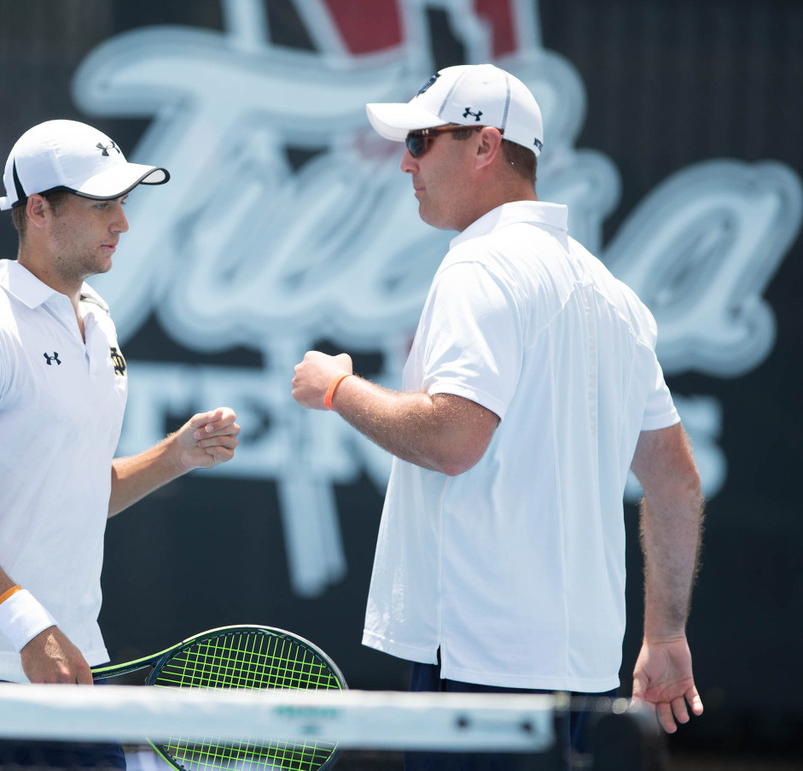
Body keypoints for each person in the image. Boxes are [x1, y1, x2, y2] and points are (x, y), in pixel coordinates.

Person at [291, 64, 704, 768]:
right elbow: (674, 482)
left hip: (481, 671)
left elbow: (454, 437)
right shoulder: (614, 296)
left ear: (485, 146)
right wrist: (665, 634)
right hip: (582, 677)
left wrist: (337, 388)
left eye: (422, 140)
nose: (406, 161)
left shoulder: (479, 265)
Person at [0, 119, 240, 770]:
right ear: (38, 210)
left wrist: (177, 453)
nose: (124, 222)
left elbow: (81, 491)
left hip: (72, 677)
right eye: (103, 204)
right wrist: (31, 628)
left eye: (124, 202)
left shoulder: (102, 327)